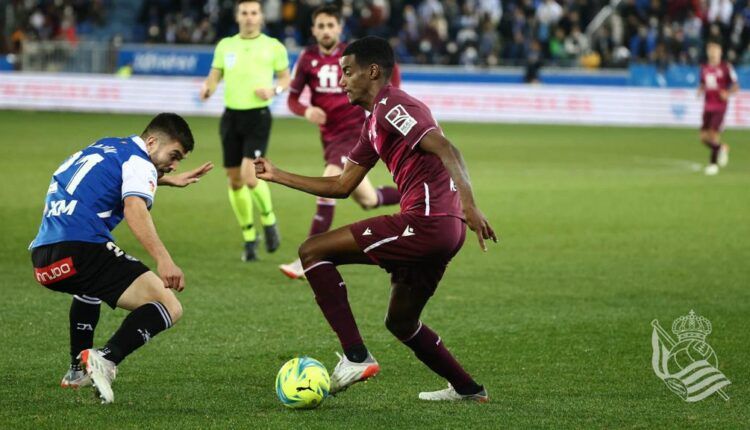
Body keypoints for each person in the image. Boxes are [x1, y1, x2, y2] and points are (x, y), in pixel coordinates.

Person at [255, 36, 497, 401]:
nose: (342, 81)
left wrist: (471, 205)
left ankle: (355, 357)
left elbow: (447, 148)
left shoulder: (393, 104)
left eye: (347, 72)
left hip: (428, 222)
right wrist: (278, 175)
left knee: (312, 252)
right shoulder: (372, 124)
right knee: (401, 321)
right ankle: (468, 389)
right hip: (443, 229)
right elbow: (341, 185)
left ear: (373, 72)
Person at [30, 113, 212, 403]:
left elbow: (108, 178)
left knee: (88, 288)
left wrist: (165, 179)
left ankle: (77, 370)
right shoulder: (140, 162)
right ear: (152, 142)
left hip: (45, 260)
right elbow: (134, 208)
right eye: (174, 155)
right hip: (82, 249)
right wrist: (164, 259)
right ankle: (105, 358)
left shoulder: (107, 147)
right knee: (169, 305)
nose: (175, 164)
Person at [280, 5, 401, 280]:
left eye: (330, 26)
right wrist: (306, 110)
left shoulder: (354, 54)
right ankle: (416, 196)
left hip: (356, 130)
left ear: (339, 28)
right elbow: (292, 98)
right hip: (330, 137)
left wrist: (392, 97)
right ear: (313, 30)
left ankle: (307, 257)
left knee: (329, 182)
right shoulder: (308, 58)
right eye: (320, 26)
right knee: (369, 200)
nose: (325, 31)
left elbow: (390, 70)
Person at [200, 0, 290, 260]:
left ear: (261, 17)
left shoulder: (273, 46)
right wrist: (208, 88)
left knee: (250, 176)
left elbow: (286, 77)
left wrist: (275, 90)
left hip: (258, 116)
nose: (249, 17)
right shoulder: (225, 45)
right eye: (245, 13)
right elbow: (215, 75)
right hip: (231, 117)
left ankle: (269, 219)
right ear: (238, 16)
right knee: (234, 180)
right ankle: (250, 237)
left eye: (253, 13)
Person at [698, 40, 739, 176]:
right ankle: (722, 148)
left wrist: (727, 93)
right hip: (707, 105)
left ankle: (713, 164)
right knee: (703, 138)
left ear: (720, 52)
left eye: (715, 50)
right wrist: (700, 90)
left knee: (713, 134)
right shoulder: (704, 68)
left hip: (719, 106)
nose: (713, 53)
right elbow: (703, 83)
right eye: (711, 50)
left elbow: (735, 86)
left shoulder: (726, 68)